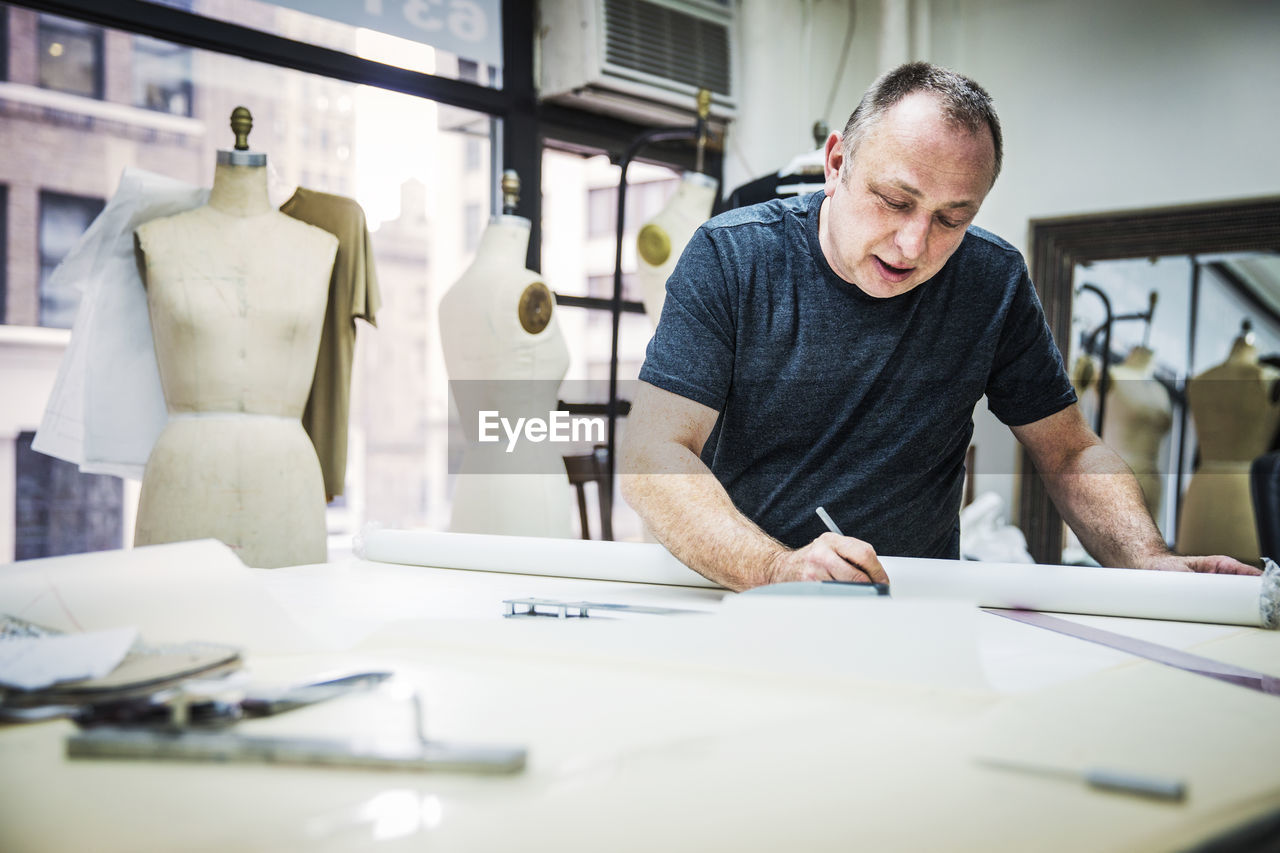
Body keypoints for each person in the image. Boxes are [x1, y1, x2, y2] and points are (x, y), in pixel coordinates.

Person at [619, 62, 1260, 591]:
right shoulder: (734, 258)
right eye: (895, 201)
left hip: (914, 606)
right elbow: (653, 455)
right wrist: (777, 569)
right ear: (836, 163)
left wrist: (1146, 560)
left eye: (952, 218)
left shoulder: (992, 281)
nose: (912, 243)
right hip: (745, 597)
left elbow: (1068, 453)